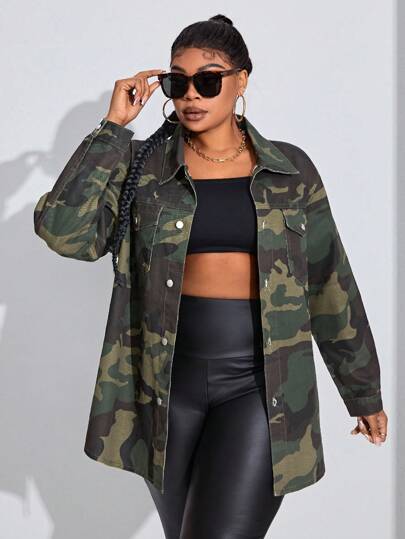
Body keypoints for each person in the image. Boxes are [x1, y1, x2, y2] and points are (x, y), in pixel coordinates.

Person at [33, 13, 388, 539]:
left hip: (258, 387)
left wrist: (362, 392)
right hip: (163, 390)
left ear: (241, 81)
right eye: (177, 83)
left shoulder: (290, 171)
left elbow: (328, 280)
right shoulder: (142, 167)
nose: (192, 95)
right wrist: (112, 130)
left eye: (208, 80)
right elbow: (64, 234)